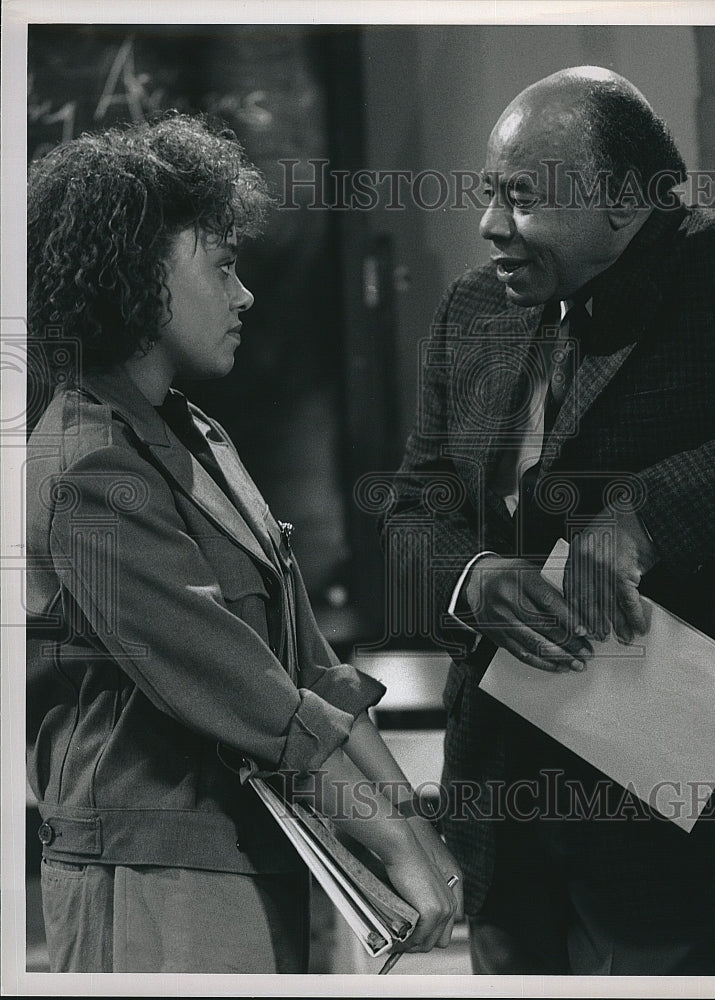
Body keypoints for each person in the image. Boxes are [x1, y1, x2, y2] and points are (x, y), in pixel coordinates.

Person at [25, 112, 462, 974]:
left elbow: (309, 668)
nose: (244, 293)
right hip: (152, 878)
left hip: (258, 852)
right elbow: (247, 690)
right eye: (221, 267)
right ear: (136, 273)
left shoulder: (195, 436)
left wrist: (409, 822)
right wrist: (398, 843)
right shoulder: (88, 466)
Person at [381, 66, 715, 975]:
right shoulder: (473, 307)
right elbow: (415, 503)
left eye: (523, 199)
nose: (491, 226)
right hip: (499, 804)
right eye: (489, 196)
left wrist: (646, 510)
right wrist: (470, 580)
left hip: (660, 812)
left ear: (624, 204)